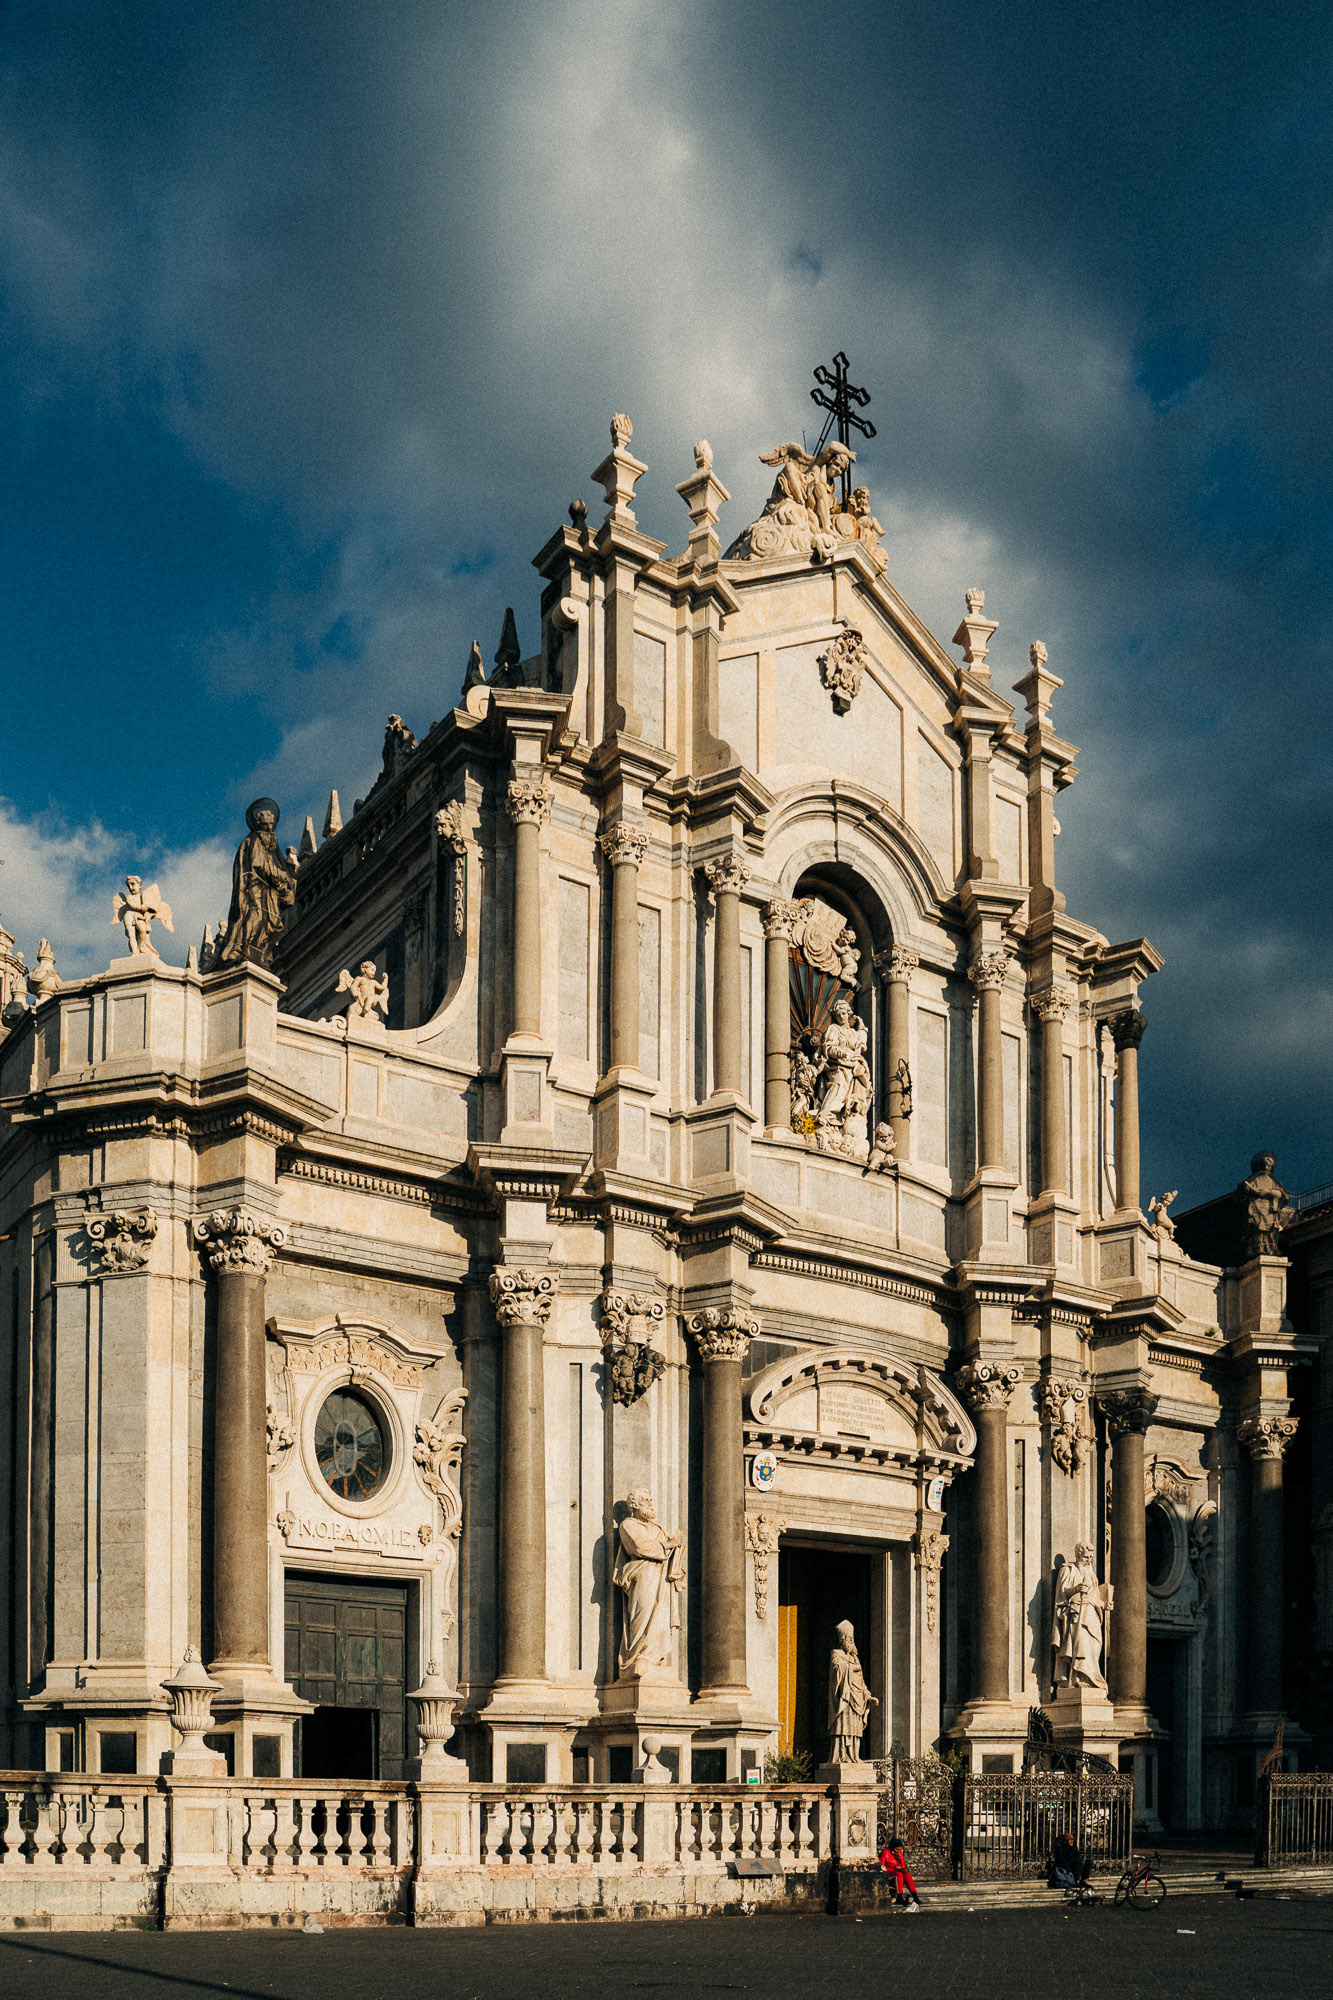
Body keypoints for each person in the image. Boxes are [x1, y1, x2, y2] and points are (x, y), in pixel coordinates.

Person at [879, 1836, 920, 1911]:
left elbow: (903, 1865)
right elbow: (881, 1868)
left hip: (898, 1873)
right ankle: (899, 1896)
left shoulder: (900, 1854)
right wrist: (894, 1868)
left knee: (907, 1875)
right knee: (899, 1875)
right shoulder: (885, 1853)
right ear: (892, 1847)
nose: (898, 1851)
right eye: (897, 1849)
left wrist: (903, 1869)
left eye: (900, 1849)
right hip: (889, 1874)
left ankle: (915, 1896)